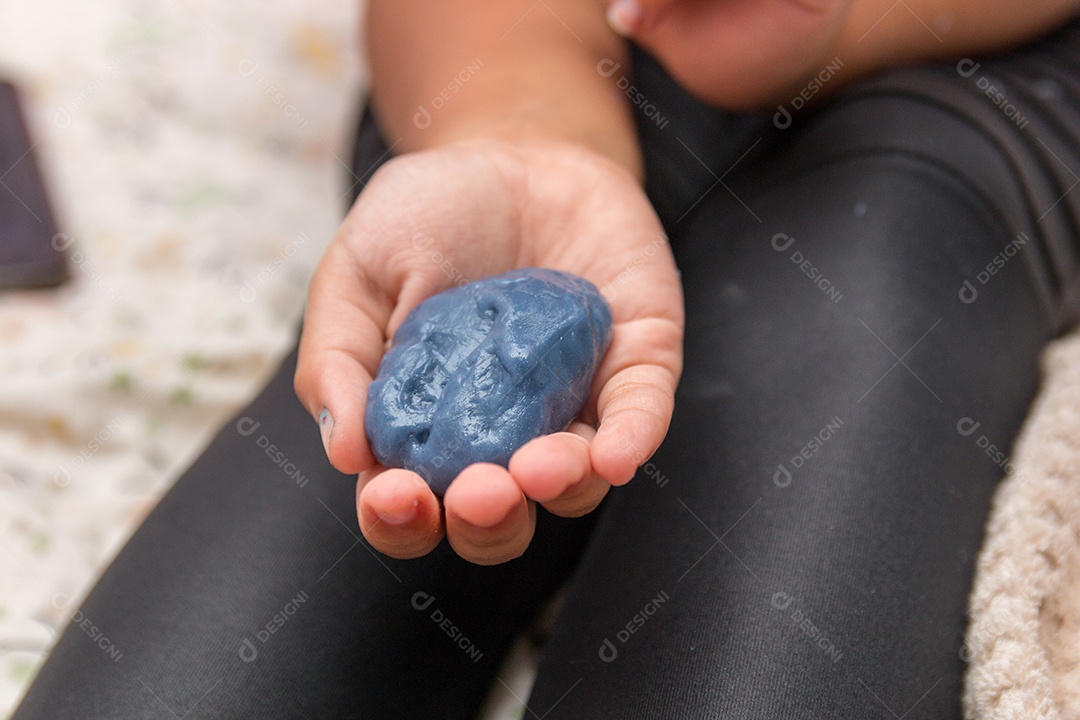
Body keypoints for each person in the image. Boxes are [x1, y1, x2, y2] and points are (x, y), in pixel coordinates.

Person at [13, 0, 1080, 717]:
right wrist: (524, 141)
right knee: (252, 621)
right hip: (528, 46)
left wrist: (839, 22)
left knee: (856, 282)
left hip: (976, 74)